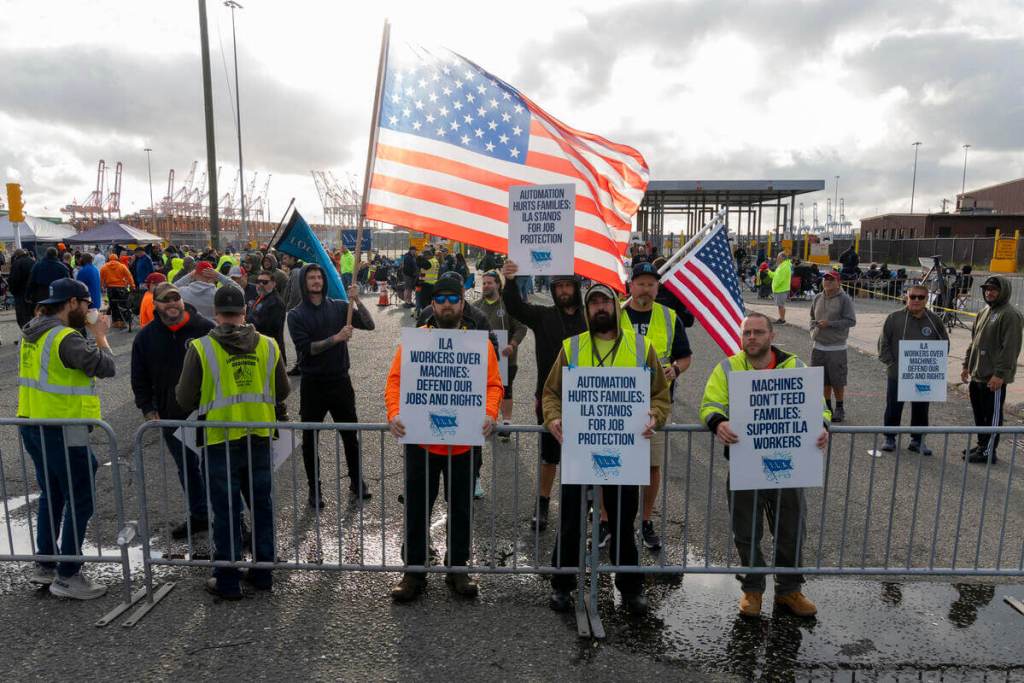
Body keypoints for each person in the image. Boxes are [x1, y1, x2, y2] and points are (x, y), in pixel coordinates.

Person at [542, 283, 671, 615]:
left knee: (623, 521)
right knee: (570, 519)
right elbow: (551, 392)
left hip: (624, 451)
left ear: (615, 306)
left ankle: (630, 588)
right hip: (579, 449)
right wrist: (553, 418)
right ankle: (562, 585)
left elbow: (660, 394)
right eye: (593, 303)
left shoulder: (643, 348)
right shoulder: (572, 348)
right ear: (587, 311)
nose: (599, 307)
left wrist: (654, 416)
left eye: (605, 301)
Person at [700, 312, 830, 618]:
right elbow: (710, 404)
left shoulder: (794, 366)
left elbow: (817, 406)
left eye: (758, 332)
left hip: (790, 464)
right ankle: (753, 590)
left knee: (791, 529)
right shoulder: (728, 367)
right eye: (747, 333)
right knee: (746, 530)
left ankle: (789, 590)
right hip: (745, 464)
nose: (752, 338)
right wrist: (717, 422)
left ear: (772, 336)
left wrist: (822, 425)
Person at [385, 275, 503, 602]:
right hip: (421, 442)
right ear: (432, 305)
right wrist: (394, 412)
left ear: (463, 304)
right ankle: (414, 571)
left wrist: (491, 412)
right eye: (442, 299)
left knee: (462, 508)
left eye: (454, 299)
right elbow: (395, 381)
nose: (448, 304)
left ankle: (458, 568)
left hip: (463, 442)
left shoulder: (477, 342)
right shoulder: (415, 341)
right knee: (417, 507)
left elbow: (494, 385)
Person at [175, 285, 289, 600]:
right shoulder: (268, 345)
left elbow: (185, 398)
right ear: (245, 312)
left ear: (215, 314)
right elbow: (282, 391)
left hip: (219, 440)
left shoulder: (201, 348)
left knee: (225, 511)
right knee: (262, 506)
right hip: (260, 436)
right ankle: (263, 573)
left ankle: (227, 579)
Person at [17, 278, 115, 599]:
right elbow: (107, 367)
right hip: (63, 427)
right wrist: (100, 335)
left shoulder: (34, 330)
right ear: (71, 303)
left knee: (53, 494)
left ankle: (46, 564)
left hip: (33, 422)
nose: (90, 309)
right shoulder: (65, 337)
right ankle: (68, 574)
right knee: (80, 496)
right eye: (87, 304)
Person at [501, 259, 587, 531]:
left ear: (576, 287)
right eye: (558, 286)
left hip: (588, 398)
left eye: (567, 286)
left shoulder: (592, 318)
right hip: (551, 399)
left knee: (587, 454)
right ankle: (542, 503)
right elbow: (515, 308)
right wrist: (511, 280)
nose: (563, 291)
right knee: (550, 456)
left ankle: (591, 505)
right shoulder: (544, 316)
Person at [132, 282, 215, 538]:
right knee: (187, 468)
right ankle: (199, 516)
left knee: (219, 468)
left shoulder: (206, 329)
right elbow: (139, 376)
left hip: (209, 412)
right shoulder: (146, 337)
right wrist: (147, 407)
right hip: (172, 415)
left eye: (175, 298)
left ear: (182, 300)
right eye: (165, 300)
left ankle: (235, 521)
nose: (171, 304)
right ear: (155, 304)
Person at [287, 263, 375, 507]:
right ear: (304, 283)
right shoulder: (296, 315)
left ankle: (357, 481)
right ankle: (314, 489)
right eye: (311, 278)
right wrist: (336, 338)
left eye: (319, 277)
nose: (316, 281)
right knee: (309, 439)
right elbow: (307, 349)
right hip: (313, 384)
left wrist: (357, 301)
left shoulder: (339, 307)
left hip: (340, 382)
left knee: (350, 436)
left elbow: (369, 324)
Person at [620, 261, 692, 551]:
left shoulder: (669, 316)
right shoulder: (616, 313)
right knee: (613, 465)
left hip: (656, 404)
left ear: (657, 287)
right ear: (631, 286)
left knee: (651, 466)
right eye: (641, 284)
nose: (645, 289)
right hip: (619, 402)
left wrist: (676, 368)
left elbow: (685, 357)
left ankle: (645, 520)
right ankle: (606, 521)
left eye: (651, 284)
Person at [877, 283, 949, 454]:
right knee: (893, 407)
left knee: (921, 409)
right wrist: (892, 363)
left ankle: (917, 440)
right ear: (906, 297)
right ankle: (890, 437)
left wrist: (935, 363)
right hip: (897, 374)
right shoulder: (894, 318)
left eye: (921, 297)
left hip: (922, 375)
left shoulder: (934, 320)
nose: (916, 300)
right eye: (913, 296)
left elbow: (944, 344)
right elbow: (883, 344)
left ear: (926, 299)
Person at [961, 276, 1023, 463]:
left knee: (993, 417)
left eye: (994, 289)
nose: (989, 292)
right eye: (987, 288)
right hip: (977, 375)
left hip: (993, 378)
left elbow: (1010, 348)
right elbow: (974, 341)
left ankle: (989, 452)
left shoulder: (1010, 314)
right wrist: (966, 365)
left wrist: (1000, 374)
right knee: (980, 415)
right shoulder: (984, 311)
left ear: (1003, 290)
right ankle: (982, 446)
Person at [477, 271, 526, 443]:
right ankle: (489, 422)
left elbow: (521, 328)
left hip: (506, 360)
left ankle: (506, 424)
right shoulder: (476, 307)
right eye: (484, 283)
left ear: (498, 284)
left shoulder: (508, 306)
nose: (486, 286)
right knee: (485, 391)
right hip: (483, 360)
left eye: (490, 283)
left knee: (505, 390)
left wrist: (512, 345)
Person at [809, 272, 857, 423]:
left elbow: (851, 321)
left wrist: (830, 324)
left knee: (837, 380)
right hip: (818, 346)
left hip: (836, 347)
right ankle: (826, 407)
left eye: (831, 279)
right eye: (825, 278)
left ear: (838, 282)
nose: (827, 281)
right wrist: (813, 330)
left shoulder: (844, 299)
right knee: (822, 380)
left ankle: (840, 407)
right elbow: (811, 317)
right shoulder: (817, 297)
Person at [175, 261, 242, 320]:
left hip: (191, 332)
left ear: (195, 275)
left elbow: (170, 288)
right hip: (213, 331)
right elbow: (240, 291)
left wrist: (189, 276)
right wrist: (219, 276)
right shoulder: (219, 293)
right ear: (213, 276)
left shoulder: (183, 292)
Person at [248, 269, 288, 366]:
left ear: (274, 284)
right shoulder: (262, 297)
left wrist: (247, 320)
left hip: (271, 352)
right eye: (258, 282)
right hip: (260, 349)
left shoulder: (276, 302)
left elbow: (269, 328)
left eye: (265, 282)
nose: (261, 284)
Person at [99, 250, 135, 329]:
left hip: (110, 289)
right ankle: (123, 322)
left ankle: (116, 323)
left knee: (113, 306)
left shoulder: (104, 267)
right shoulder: (122, 266)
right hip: (121, 289)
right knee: (123, 306)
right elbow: (129, 277)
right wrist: (132, 286)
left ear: (109, 259)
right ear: (117, 259)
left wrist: (101, 287)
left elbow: (101, 279)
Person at [9, 248, 36, 330]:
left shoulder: (16, 263)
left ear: (16, 255)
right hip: (32, 293)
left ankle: (25, 335)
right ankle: (34, 333)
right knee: (32, 314)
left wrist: (13, 291)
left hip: (20, 293)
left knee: (22, 316)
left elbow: (14, 279)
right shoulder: (32, 261)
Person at [768, 251, 792, 324]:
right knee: (780, 305)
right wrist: (768, 272)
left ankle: (782, 320)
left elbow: (780, 279)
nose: (777, 259)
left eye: (779, 257)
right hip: (780, 289)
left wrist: (774, 286)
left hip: (781, 289)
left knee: (781, 305)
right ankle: (781, 318)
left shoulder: (784, 266)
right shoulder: (782, 265)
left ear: (783, 258)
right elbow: (776, 275)